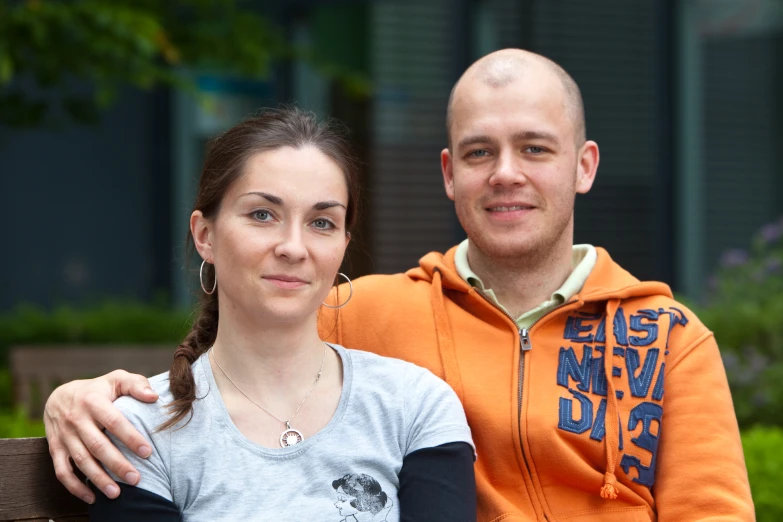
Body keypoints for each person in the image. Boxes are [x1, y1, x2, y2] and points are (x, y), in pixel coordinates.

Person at [44, 49, 755, 521]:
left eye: (534, 148)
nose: (505, 172)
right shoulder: (361, 309)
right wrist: (75, 397)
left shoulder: (667, 341)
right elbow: (235, 357)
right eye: (480, 152)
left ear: (583, 165)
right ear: (449, 174)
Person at [83, 107, 476, 520]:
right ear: (205, 236)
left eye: (321, 222)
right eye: (262, 215)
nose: (293, 247)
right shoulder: (144, 429)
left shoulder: (414, 405)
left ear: (343, 243)